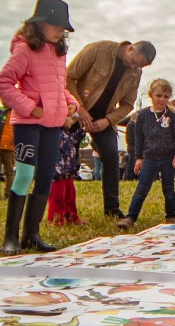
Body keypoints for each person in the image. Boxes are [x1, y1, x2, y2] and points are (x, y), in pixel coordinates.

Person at [0, 0, 75, 254]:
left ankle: (31, 235)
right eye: (56, 25)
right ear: (39, 23)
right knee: (25, 175)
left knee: (45, 177)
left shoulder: (58, 52)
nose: (60, 31)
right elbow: (3, 83)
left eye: (63, 28)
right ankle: (11, 238)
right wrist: (31, 107)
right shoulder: (25, 49)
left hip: (53, 125)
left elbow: (58, 87)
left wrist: (70, 103)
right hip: (28, 124)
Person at [66, 36, 155, 222]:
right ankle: (66, 211)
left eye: (139, 67)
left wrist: (108, 121)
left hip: (104, 117)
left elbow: (128, 104)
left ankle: (112, 209)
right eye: (134, 63)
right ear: (131, 48)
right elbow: (68, 77)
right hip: (75, 111)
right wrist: (79, 108)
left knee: (112, 159)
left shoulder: (136, 72)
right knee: (67, 161)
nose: (134, 68)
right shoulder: (98, 49)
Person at [122, 78, 175, 228]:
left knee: (168, 188)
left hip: (168, 157)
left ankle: (171, 216)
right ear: (151, 95)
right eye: (158, 95)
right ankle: (130, 217)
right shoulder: (143, 115)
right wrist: (138, 157)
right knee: (142, 187)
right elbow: (139, 138)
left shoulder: (172, 115)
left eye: (165, 97)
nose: (162, 99)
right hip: (149, 157)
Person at [46, 124, 83, 226]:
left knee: (70, 195)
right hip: (58, 171)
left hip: (68, 170)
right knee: (57, 197)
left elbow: (73, 142)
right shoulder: (52, 132)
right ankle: (56, 219)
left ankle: (71, 216)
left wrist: (82, 132)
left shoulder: (66, 132)